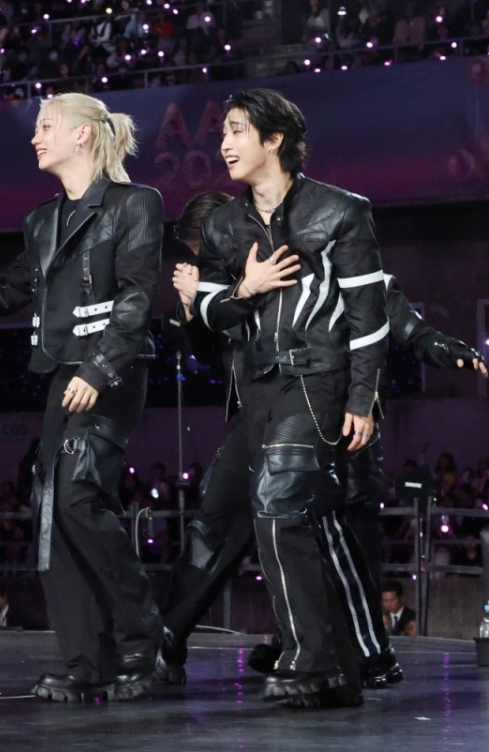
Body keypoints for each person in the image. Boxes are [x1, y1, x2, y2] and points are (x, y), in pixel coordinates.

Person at [162, 191, 486, 689]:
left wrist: (444, 349)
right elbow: (208, 348)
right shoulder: (231, 284)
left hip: (333, 425)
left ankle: (361, 653)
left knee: (332, 539)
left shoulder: (322, 260)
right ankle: (186, 638)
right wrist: (195, 306)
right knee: (243, 530)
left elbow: (395, 318)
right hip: (259, 423)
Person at [0, 92, 165, 704]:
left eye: (46, 126)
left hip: (111, 371)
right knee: (51, 509)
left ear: (82, 134)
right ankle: (87, 660)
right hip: (62, 375)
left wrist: (98, 368)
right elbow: (4, 292)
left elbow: (136, 299)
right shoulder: (42, 220)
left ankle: (143, 639)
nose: (35, 136)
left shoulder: (135, 203)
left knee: (76, 497)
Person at [190, 88, 388, 708]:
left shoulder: (342, 211)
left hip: (318, 379)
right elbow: (208, 313)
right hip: (256, 387)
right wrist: (243, 289)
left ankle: (310, 658)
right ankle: (336, 671)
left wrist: (362, 398)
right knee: (271, 513)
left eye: (237, 130)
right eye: (223, 132)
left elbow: (369, 318)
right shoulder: (222, 224)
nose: (225, 143)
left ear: (274, 139)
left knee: (278, 503)